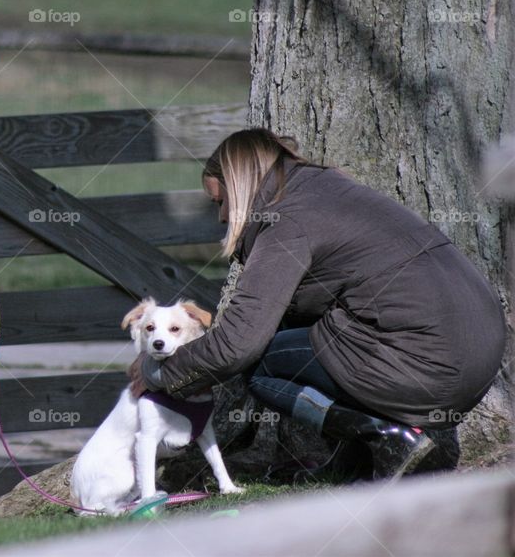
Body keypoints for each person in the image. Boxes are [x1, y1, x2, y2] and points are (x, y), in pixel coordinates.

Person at [136, 128, 506, 481]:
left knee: (260, 365)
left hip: (425, 363)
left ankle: (390, 438)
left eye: (220, 201)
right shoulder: (330, 191)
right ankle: (355, 462)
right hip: (480, 360)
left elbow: (238, 344)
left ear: (240, 185)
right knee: (309, 335)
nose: (220, 216)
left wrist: (159, 374)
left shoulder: (286, 222)